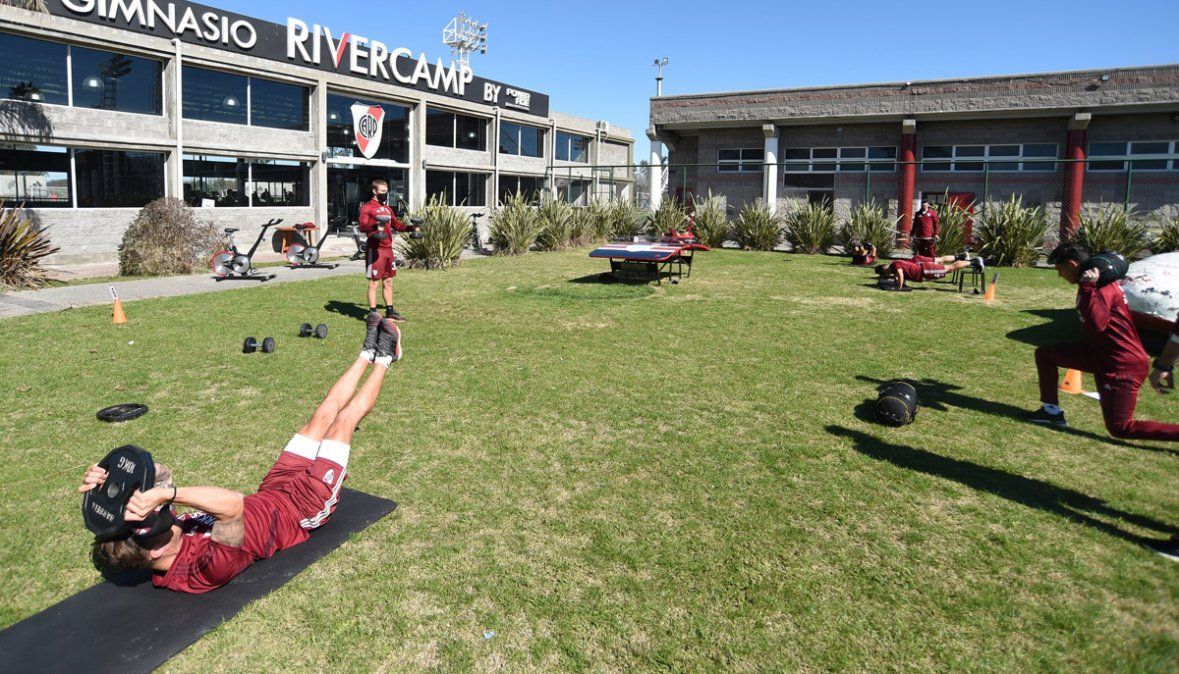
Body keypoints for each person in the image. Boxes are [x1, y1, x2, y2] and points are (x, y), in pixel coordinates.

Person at [79, 316, 403, 593]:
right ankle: (386, 358)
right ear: (156, 551)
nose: (161, 516)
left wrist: (110, 480)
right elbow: (233, 505)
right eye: (154, 522)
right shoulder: (207, 568)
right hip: (303, 509)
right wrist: (170, 494)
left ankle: (367, 352)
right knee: (342, 422)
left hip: (272, 490)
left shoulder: (161, 537)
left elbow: (158, 474)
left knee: (320, 417)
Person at [1023, 242, 1179, 443]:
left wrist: (1088, 288)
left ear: (1072, 264)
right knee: (1046, 355)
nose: (1060, 275)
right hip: (1102, 354)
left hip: (1122, 365)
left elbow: (1098, 324)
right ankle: (1051, 412)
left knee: (1120, 427)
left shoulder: (1098, 286)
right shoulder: (1094, 282)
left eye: (1060, 270)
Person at [358, 179, 415, 322]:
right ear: (374, 191)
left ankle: (390, 312)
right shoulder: (367, 207)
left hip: (388, 249)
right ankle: (373, 315)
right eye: (383, 191)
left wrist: (411, 227)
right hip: (375, 249)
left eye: (386, 191)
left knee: (388, 281)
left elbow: (397, 225)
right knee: (374, 282)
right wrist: (375, 227)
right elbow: (362, 226)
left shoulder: (388, 209)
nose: (386, 194)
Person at [875, 253, 981, 290]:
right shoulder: (893, 265)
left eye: (885, 274)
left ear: (885, 270)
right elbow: (898, 275)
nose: (888, 275)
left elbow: (900, 275)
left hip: (926, 270)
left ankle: (973, 262)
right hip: (925, 270)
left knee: (950, 268)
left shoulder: (895, 265)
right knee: (949, 269)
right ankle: (968, 261)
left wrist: (898, 287)